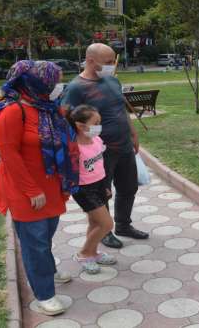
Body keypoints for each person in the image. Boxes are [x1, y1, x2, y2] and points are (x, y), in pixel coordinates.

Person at [0, 60, 79, 316]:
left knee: (46, 235)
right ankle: (44, 294)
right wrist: (31, 190)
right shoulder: (11, 111)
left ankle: (48, 269)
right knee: (35, 243)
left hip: (51, 184)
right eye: (52, 82)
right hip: (25, 188)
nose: (57, 87)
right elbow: (9, 155)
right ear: (36, 83)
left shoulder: (48, 109)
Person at [62, 43, 148, 249]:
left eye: (112, 61)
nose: (112, 66)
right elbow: (66, 118)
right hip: (99, 151)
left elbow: (121, 109)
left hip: (124, 145)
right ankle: (104, 231)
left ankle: (123, 225)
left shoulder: (113, 80)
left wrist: (133, 133)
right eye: (107, 62)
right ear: (91, 61)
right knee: (102, 192)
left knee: (129, 187)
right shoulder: (75, 88)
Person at [66, 104, 117, 274]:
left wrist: (105, 186)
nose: (99, 126)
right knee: (107, 224)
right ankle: (84, 253)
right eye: (95, 122)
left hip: (99, 185)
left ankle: (93, 253)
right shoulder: (74, 148)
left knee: (95, 222)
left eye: (99, 121)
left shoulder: (96, 140)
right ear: (80, 126)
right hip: (84, 190)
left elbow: (100, 164)